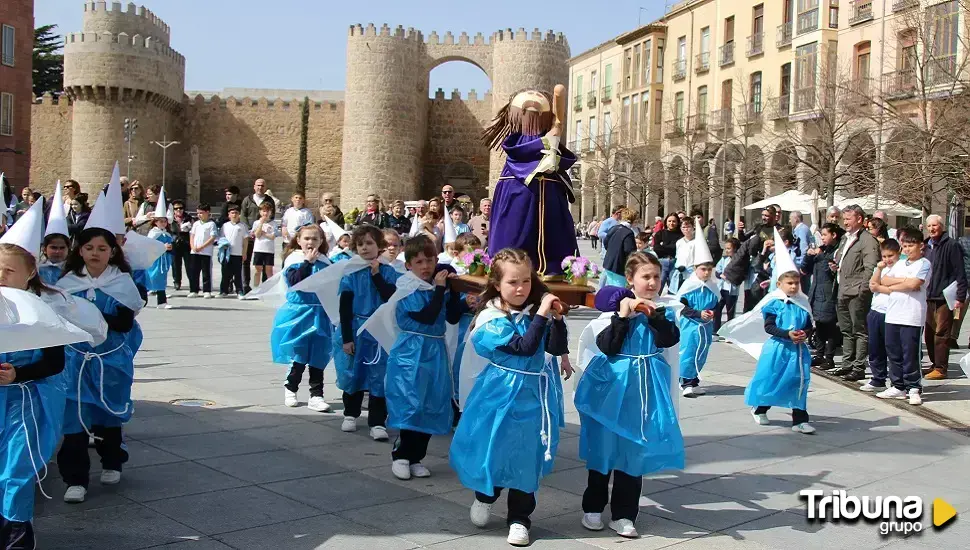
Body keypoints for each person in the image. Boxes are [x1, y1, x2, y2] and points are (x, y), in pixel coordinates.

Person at [450, 248, 570, 547]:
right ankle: (485, 496)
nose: (521, 289)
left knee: (528, 456)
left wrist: (556, 320)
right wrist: (542, 314)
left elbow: (552, 348)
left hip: (534, 393)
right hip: (501, 391)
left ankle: (520, 518)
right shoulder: (491, 319)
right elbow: (524, 347)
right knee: (495, 450)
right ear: (498, 284)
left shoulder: (533, 312)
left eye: (526, 282)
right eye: (513, 282)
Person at [575, 253, 683, 539]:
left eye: (656, 277)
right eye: (646, 277)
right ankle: (593, 507)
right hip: (612, 388)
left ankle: (624, 514)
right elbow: (606, 346)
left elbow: (669, 339)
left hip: (644, 391)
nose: (652, 282)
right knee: (603, 448)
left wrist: (653, 316)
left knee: (633, 452)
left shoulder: (664, 312)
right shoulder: (616, 311)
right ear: (631, 280)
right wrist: (623, 316)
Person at [57, 227, 144, 503]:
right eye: (89, 248)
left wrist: (91, 316)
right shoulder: (67, 284)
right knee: (74, 415)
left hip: (111, 359)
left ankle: (111, 461)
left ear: (113, 251)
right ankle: (75, 479)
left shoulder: (123, 283)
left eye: (102, 248)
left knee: (109, 413)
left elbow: (124, 322)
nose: (95, 253)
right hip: (75, 359)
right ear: (80, 250)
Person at [380, 236, 465, 481]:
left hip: (435, 349)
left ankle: (417, 456)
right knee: (411, 401)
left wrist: (464, 303)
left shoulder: (436, 287)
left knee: (432, 402)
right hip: (411, 349)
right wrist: (440, 289)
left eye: (429, 260)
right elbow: (427, 316)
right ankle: (402, 455)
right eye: (419, 261)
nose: (425, 266)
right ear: (408, 265)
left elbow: (450, 317)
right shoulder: (406, 287)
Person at [482, 88, 580, 278]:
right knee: (516, 227)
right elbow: (518, 152)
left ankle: (555, 266)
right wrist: (547, 141)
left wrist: (554, 152)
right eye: (529, 97)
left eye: (539, 97)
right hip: (518, 190)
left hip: (550, 193)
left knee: (554, 229)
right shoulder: (517, 142)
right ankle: (510, 268)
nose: (534, 99)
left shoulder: (552, 135)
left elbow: (559, 161)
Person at [728, 230, 815, 434]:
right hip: (778, 349)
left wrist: (805, 333)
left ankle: (800, 419)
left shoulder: (803, 303)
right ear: (780, 284)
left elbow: (809, 325)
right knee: (773, 379)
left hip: (799, 351)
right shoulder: (774, 303)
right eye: (789, 283)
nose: (793, 287)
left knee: (799, 381)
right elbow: (769, 327)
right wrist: (786, 334)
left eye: (796, 283)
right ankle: (760, 408)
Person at [334, 226, 401, 439]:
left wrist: (377, 276)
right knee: (352, 371)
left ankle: (377, 421)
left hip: (378, 330)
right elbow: (344, 306)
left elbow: (391, 297)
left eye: (370, 243)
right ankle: (350, 414)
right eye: (361, 244)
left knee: (378, 375)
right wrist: (346, 337)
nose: (365, 248)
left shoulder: (389, 271)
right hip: (356, 327)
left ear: (379, 246)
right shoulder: (350, 272)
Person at [274, 224, 334, 412]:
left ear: (322, 241)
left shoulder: (326, 262)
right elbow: (295, 282)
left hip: (320, 314)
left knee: (319, 354)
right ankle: (290, 388)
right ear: (298, 240)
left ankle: (316, 395)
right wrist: (307, 262)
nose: (310, 242)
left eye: (315, 239)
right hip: (299, 313)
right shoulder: (295, 259)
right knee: (299, 353)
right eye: (306, 238)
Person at [870, 228, 931, 405]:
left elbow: (914, 284)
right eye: (904, 246)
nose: (907, 249)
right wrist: (903, 282)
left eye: (911, 246)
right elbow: (884, 280)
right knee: (893, 351)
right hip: (893, 314)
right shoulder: (899, 264)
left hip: (912, 315)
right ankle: (898, 385)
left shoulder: (924, 263)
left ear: (920, 246)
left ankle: (914, 386)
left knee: (910, 352)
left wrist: (900, 283)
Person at [831, 205, 880, 382]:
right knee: (846, 330)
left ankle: (858, 366)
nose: (845, 222)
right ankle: (847, 364)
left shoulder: (867, 240)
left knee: (859, 330)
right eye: (844, 219)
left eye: (848, 219)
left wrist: (863, 290)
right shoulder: (846, 238)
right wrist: (836, 266)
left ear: (859, 219)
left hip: (857, 291)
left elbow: (871, 267)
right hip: (843, 288)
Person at [922, 214, 967, 380]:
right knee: (929, 333)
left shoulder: (951, 245)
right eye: (930, 226)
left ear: (941, 226)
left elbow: (960, 273)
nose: (932, 229)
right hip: (928, 295)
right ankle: (934, 364)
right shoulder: (926, 245)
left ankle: (941, 368)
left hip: (944, 297)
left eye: (935, 225)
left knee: (942, 333)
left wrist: (960, 298)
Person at [676, 237, 719, 397]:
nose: (707, 272)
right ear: (695, 268)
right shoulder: (689, 286)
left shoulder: (712, 286)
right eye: (703, 269)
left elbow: (716, 303)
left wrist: (712, 312)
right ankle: (685, 381)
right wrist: (698, 313)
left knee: (701, 353)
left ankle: (694, 380)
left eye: (709, 269)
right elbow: (682, 306)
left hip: (705, 326)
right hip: (691, 325)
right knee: (689, 351)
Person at [859, 239, 900, 392]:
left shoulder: (900, 268)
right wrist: (878, 270)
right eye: (884, 256)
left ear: (898, 253)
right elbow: (872, 285)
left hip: (891, 312)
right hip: (876, 310)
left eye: (890, 256)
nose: (887, 260)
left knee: (892, 348)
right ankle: (878, 378)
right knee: (875, 347)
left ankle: (897, 382)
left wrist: (880, 287)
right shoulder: (882, 268)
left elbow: (894, 289)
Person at [803, 223, 842, 371]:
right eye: (822, 235)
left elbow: (835, 273)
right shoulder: (821, 251)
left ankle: (829, 357)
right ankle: (819, 354)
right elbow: (805, 269)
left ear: (834, 235)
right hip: (816, 292)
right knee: (818, 325)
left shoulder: (836, 252)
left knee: (830, 326)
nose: (823, 238)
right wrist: (809, 255)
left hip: (829, 294)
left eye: (825, 235)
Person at [241, 179, 276, 293]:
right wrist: (249, 230)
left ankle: (265, 288)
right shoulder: (247, 200)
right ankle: (246, 285)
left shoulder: (269, 200)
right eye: (258, 185)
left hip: (263, 237)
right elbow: (243, 215)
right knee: (247, 261)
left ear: (265, 187)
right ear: (254, 187)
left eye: (262, 185)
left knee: (266, 266)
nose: (260, 187)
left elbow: (273, 214)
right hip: (250, 234)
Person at [145, 206, 175, 309]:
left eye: (165, 221)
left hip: (164, 260)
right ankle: (142, 298)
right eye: (160, 221)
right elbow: (149, 245)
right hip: (155, 259)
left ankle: (161, 302)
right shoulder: (153, 233)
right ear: (156, 222)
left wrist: (170, 248)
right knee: (153, 278)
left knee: (161, 279)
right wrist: (162, 247)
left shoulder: (166, 233)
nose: (163, 223)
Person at [602, 208, 638, 288]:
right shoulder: (629, 233)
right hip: (619, 267)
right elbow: (630, 251)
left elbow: (605, 243)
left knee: (610, 288)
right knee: (618, 291)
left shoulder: (614, 228)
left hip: (608, 263)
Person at [188, 204, 218, 299]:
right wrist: (193, 246)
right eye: (198, 213)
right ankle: (194, 290)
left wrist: (202, 247)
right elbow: (192, 235)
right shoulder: (196, 223)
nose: (199, 215)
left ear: (207, 212)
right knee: (194, 272)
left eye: (201, 213)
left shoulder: (211, 224)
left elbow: (212, 237)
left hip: (206, 252)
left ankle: (207, 290)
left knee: (206, 272)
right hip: (195, 252)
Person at [219, 206, 248, 298]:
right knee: (225, 273)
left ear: (239, 214)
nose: (234, 215)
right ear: (229, 215)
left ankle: (239, 291)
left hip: (238, 254)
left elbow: (245, 240)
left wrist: (244, 253)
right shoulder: (225, 226)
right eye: (232, 213)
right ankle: (224, 291)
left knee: (237, 274)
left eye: (236, 213)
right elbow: (221, 238)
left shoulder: (242, 226)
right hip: (227, 253)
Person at [714, 238, 741, 333]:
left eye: (729, 248)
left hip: (732, 289)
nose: (727, 250)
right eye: (726, 248)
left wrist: (732, 277)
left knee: (730, 311)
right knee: (717, 308)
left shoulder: (740, 260)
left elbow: (741, 274)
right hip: (722, 287)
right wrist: (720, 275)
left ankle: (728, 331)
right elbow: (717, 270)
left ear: (735, 248)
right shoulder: (724, 259)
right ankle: (716, 329)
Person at [250, 201, 278, 287]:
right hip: (259, 249)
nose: (265, 213)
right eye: (263, 211)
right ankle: (256, 288)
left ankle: (269, 289)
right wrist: (261, 223)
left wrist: (264, 233)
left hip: (269, 250)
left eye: (267, 211)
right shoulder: (256, 223)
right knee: (258, 270)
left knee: (269, 271)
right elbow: (257, 235)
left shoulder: (273, 223)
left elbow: (272, 236)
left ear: (270, 212)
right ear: (260, 212)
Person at [653, 214, 681, 292]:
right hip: (662, 262)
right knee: (658, 286)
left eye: (674, 221)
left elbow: (677, 249)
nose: (671, 223)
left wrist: (664, 246)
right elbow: (657, 248)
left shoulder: (681, 235)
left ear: (678, 222)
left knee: (674, 287)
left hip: (675, 263)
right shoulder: (660, 233)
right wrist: (671, 246)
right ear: (666, 222)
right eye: (669, 221)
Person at [170, 200, 193, 292]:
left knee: (189, 265)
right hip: (174, 243)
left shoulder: (188, 217)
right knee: (175, 264)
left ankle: (192, 282)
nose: (178, 210)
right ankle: (177, 282)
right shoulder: (170, 219)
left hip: (186, 243)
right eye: (176, 208)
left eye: (181, 208)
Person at [669, 216, 696, 294]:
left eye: (688, 227)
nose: (686, 229)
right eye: (683, 227)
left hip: (691, 272)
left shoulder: (697, 242)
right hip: (679, 271)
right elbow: (678, 256)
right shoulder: (679, 242)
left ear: (693, 228)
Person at [790, 211, 813, 292]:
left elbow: (803, 248)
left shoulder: (802, 229)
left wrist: (802, 266)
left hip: (801, 265)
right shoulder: (803, 228)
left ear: (796, 219)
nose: (789, 221)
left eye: (790, 219)